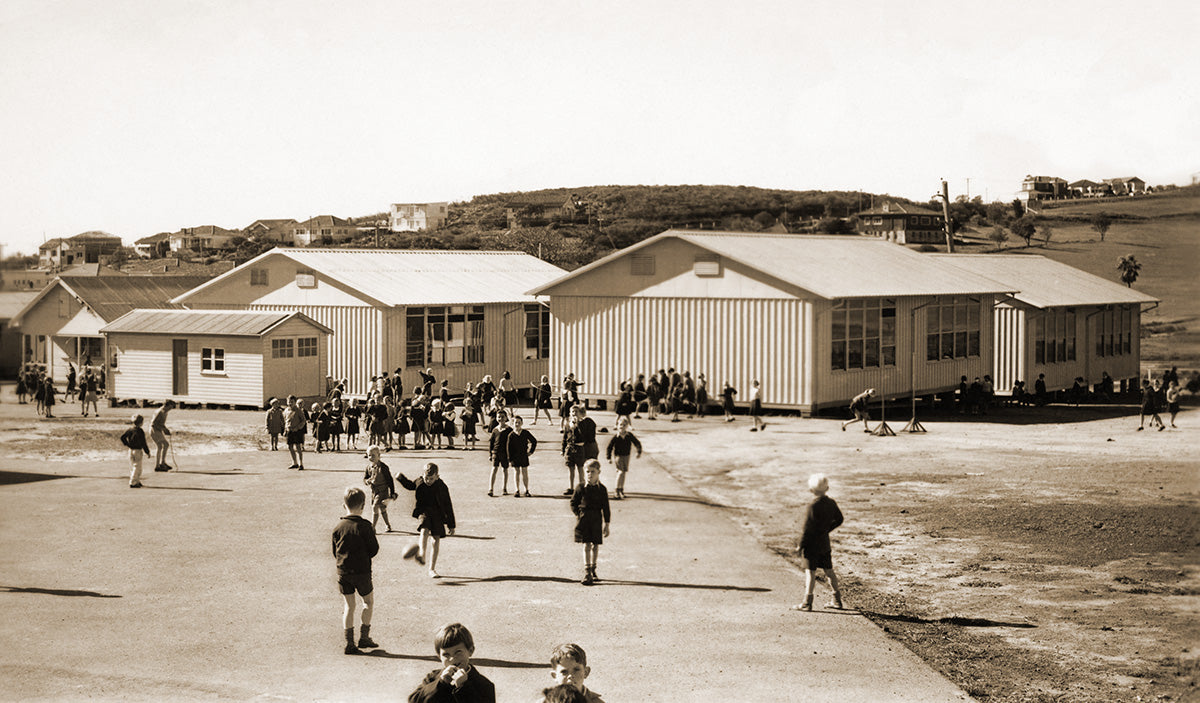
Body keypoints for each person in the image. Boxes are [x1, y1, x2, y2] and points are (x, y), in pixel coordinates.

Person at [332, 486, 380, 655]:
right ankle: (364, 638)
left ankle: (349, 643)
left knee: (349, 606)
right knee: (367, 602)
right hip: (362, 573)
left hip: (344, 573)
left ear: (344, 505)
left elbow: (335, 551)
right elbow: (374, 549)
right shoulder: (365, 526)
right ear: (363, 505)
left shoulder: (338, 527)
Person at [791, 473, 844, 612]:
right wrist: (827, 530)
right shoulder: (831, 503)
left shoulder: (812, 507)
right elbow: (840, 519)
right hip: (824, 543)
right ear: (827, 488)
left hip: (811, 545)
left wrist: (800, 546)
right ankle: (837, 600)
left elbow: (806, 530)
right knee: (829, 571)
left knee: (810, 573)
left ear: (811, 490)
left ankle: (807, 602)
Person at [407, 623, 495, 703]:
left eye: (458, 652)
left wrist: (464, 688)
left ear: (470, 651)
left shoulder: (484, 685)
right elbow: (413, 701)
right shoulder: (432, 678)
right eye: (446, 654)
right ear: (439, 657)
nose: (452, 659)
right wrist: (440, 684)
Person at [406, 463, 455, 578]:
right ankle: (422, 554)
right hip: (424, 511)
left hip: (438, 514)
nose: (428, 481)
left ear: (437, 476)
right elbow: (410, 485)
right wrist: (400, 478)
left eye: (431, 478)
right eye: (426, 478)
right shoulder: (420, 481)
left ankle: (432, 569)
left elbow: (448, 505)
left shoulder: (442, 486)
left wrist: (451, 524)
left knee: (435, 539)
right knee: (424, 529)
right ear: (422, 475)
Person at [571, 460, 611, 586]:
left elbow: (606, 507)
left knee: (595, 545)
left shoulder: (602, 489)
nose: (590, 474)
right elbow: (573, 502)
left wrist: (607, 524)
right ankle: (587, 571)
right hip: (584, 520)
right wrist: (578, 514)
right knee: (586, 544)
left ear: (599, 472)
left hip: (596, 519)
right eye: (587, 472)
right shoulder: (581, 487)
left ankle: (593, 569)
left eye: (593, 472)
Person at [540, 643, 604, 703]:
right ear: (554, 676)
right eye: (564, 672)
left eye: (576, 670)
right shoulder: (546, 702)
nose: (570, 676)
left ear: (586, 672)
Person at [364, 445, 407, 533]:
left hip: (383, 491)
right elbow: (365, 478)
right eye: (369, 455)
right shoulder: (368, 467)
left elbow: (390, 480)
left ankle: (373, 527)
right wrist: (366, 481)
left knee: (375, 507)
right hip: (374, 491)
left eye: (373, 455)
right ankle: (388, 525)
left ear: (379, 456)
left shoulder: (383, 467)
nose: (371, 457)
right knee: (382, 508)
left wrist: (392, 493)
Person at [605, 416, 642, 500]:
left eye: (624, 425)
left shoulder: (629, 435)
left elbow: (637, 443)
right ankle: (616, 490)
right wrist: (609, 458)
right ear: (617, 426)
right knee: (620, 472)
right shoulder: (616, 437)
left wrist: (638, 451)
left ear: (627, 426)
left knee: (624, 472)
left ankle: (621, 489)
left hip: (626, 456)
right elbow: (609, 447)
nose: (622, 426)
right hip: (618, 456)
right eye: (620, 424)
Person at [506, 415, 537, 497]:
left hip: (523, 455)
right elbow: (508, 448)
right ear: (512, 423)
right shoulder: (511, 435)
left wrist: (531, 451)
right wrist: (510, 458)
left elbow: (534, 441)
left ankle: (526, 489)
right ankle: (517, 490)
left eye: (519, 422)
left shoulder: (525, 433)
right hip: (515, 456)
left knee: (525, 472)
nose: (517, 424)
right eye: (515, 422)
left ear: (522, 423)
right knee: (516, 472)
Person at [560, 406, 587, 496]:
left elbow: (584, 435)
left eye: (576, 411)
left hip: (579, 448)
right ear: (570, 413)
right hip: (570, 448)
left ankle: (582, 487)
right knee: (571, 469)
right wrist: (563, 449)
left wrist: (577, 425)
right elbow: (565, 437)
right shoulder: (568, 424)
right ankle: (571, 487)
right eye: (572, 412)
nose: (574, 413)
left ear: (579, 413)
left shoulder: (583, 424)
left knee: (580, 468)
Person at [121, 414, 151, 488]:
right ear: (141, 423)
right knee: (138, 467)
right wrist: (147, 451)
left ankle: (137, 480)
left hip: (130, 450)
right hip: (138, 450)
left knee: (133, 466)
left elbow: (123, 437)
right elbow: (143, 442)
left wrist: (127, 444)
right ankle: (133, 482)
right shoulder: (140, 431)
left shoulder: (130, 429)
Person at [487, 411, 512, 497]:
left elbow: (511, 443)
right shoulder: (495, 430)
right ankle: (491, 488)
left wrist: (511, 455)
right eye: (499, 417)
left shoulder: (509, 430)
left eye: (502, 417)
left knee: (505, 470)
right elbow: (491, 443)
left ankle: (504, 488)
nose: (501, 419)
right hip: (496, 453)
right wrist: (490, 454)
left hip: (505, 453)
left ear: (506, 418)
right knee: (494, 469)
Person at [284, 395, 307, 470]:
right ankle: (294, 463)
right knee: (290, 446)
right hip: (289, 430)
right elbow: (286, 420)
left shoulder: (298, 410)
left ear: (295, 402)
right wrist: (285, 429)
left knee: (298, 447)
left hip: (297, 431)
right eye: (289, 402)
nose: (290, 403)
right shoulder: (286, 410)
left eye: (292, 402)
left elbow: (303, 421)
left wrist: (298, 428)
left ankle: (301, 463)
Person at [150, 399, 175, 471]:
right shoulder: (159, 412)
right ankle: (159, 465)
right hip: (154, 430)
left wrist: (165, 429)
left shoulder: (165, 412)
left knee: (162, 446)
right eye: (170, 407)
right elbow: (153, 423)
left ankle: (161, 463)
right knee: (164, 445)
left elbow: (161, 424)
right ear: (166, 405)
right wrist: (164, 429)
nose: (171, 409)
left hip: (158, 430)